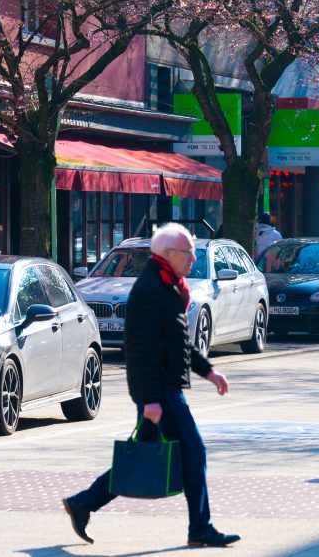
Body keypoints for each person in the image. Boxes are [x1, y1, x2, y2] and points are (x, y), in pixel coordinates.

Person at [63, 223, 239, 548]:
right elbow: (139, 350)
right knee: (192, 451)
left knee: (145, 452)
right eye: (188, 251)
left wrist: (209, 371)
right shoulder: (149, 289)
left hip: (164, 389)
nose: (194, 257)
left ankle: (84, 503)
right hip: (160, 391)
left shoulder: (170, 286)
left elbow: (177, 344)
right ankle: (200, 527)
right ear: (167, 254)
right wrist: (150, 401)